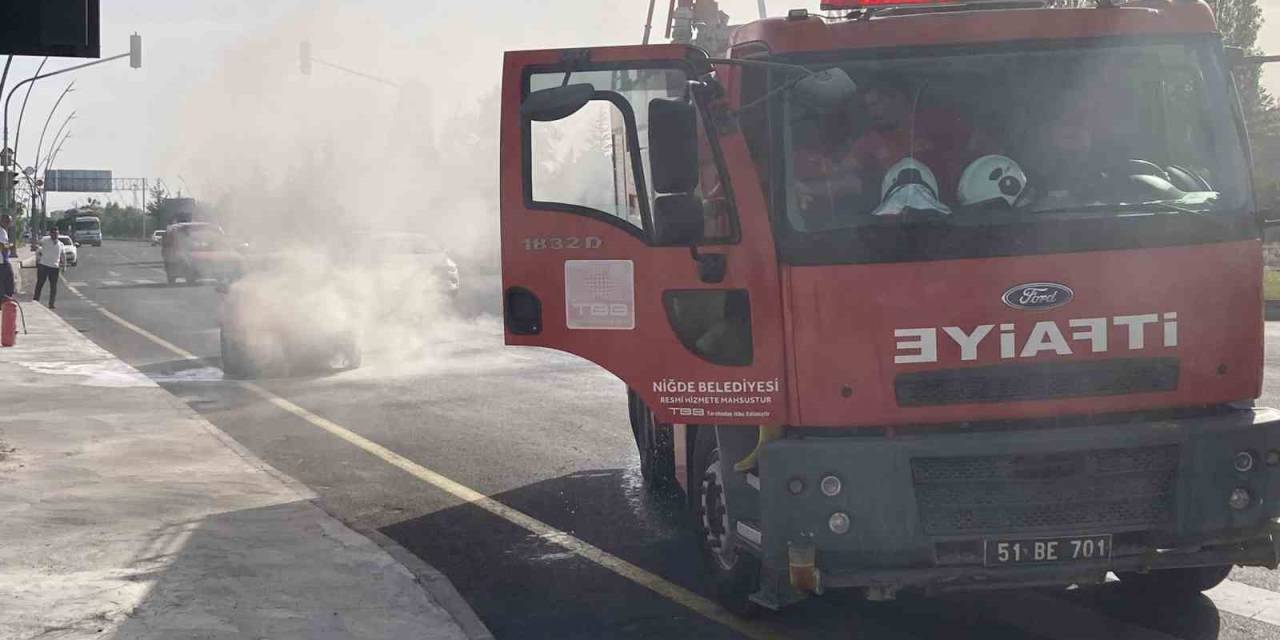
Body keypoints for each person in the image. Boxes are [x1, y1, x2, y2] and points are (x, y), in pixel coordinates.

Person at [791, 73, 996, 226]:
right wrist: (806, 187)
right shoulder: (870, 142)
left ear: (897, 98)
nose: (872, 112)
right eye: (868, 107)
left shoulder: (939, 123)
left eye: (876, 104)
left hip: (956, 221)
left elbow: (985, 149)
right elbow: (846, 176)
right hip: (896, 227)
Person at [33, 228, 65, 309]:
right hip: (43, 265)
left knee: (53, 286)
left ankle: (51, 303)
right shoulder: (45, 240)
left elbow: (63, 256)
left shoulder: (61, 244)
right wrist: (37, 249)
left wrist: (64, 266)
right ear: (50, 234)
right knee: (40, 283)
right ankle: (35, 300)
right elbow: (37, 244)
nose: (55, 235)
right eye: (53, 233)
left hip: (54, 267)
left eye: (56, 233)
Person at [0, 214, 14, 300]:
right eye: (7, 221)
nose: (8, 223)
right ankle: (6, 300)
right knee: (9, 281)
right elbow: (1, 246)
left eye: (9, 222)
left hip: (3, 261)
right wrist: (10, 246)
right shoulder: (2, 231)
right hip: (2, 261)